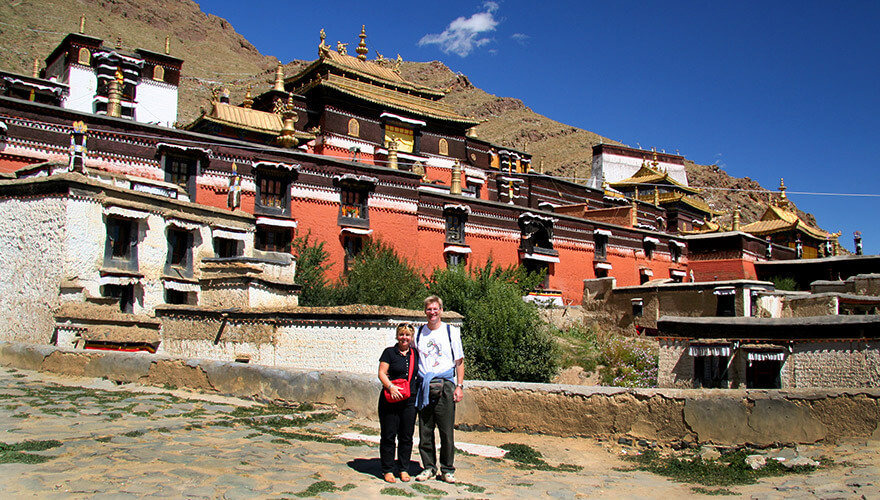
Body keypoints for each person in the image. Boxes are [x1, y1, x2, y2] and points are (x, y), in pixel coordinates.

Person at [414, 295, 464, 484]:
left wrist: (459, 386)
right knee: (425, 430)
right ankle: (428, 467)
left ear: (441, 310)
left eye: (435, 309)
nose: (432, 312)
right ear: (425, 311)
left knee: (446, 430)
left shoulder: (451, 332)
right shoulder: (419, 333)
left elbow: (459, 362)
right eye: (429, 309)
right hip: (425, 385)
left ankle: (447, 469)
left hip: (446, 385)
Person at [377, 323, 418, 483]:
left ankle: (403, 468)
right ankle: (387, 469)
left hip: (409, 400)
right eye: (401, 334)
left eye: (407, 335)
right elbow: (381, 373)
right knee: (388, 435)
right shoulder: (389, 353)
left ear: (411, 338)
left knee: (406, 436)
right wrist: (391, 386)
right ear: (397, 336)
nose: (404, 338)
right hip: (390, 400)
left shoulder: (414, 354)